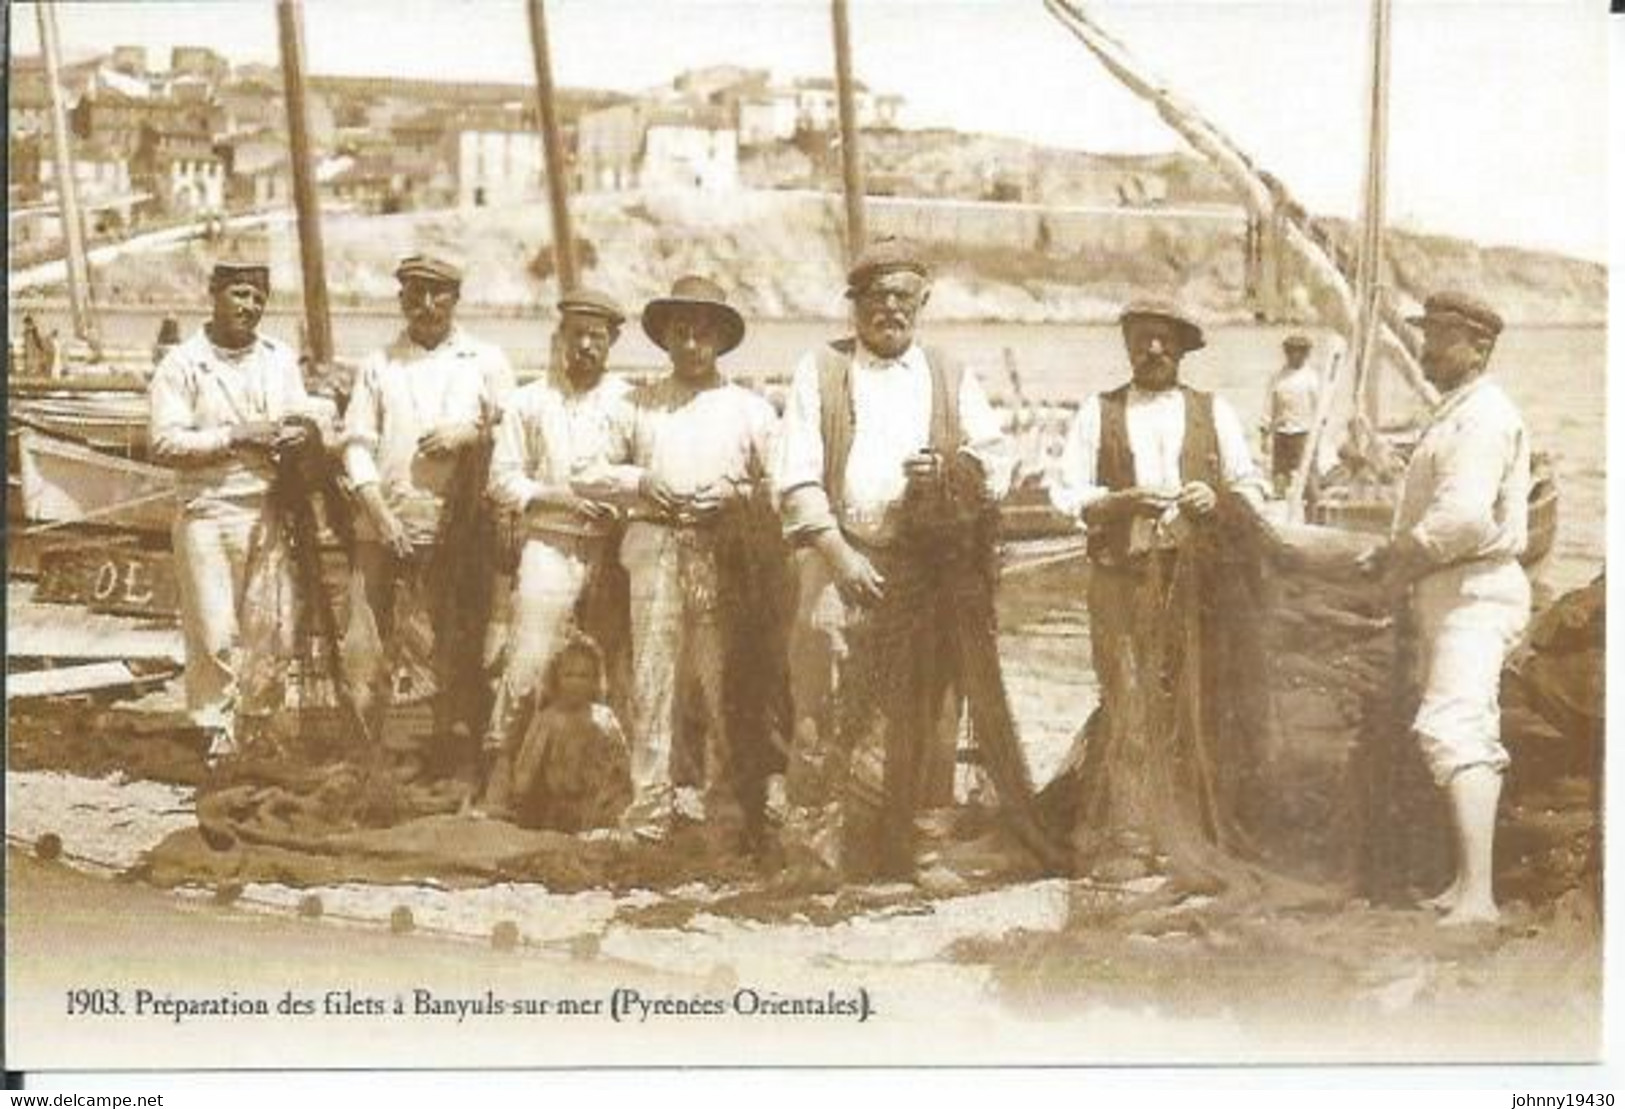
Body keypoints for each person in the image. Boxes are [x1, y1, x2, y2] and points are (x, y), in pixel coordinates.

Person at [775, 237, 1014, 881]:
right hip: (836, 552)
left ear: (923, 302)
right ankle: (814, 848)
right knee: (822, 696)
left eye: (902, 296)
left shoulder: (949, 373)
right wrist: (839, 557)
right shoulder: (820, 369)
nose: (889, 308)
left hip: (925, 569)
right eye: (875, 296)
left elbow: (998, 459)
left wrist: (950, 467)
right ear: (854, 306)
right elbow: (795, 479)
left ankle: (921, 847)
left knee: (930, 706)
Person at [1047, 299, 1271, 886]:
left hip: (1197, 582)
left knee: (1194, 700)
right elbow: (1065, 493)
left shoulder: (1212, 412)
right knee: (1127, 698)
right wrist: (1118, 503)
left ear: (1181, 349)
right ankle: (1130, 834)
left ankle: (1191, 830)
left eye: (1164, 342)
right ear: (1127, 344)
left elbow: (1251, 487)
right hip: (1121, 578)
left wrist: (1213, 499)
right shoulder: (1099, 412)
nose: (1152, 351)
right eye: (1142, 339)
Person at [579, 275, 778, 846]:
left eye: (703, 335)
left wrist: (736, 495)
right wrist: (639, 480)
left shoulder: (750, 411)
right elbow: (584, 470)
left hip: (722, 555)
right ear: (665, 339)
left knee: (720, 684)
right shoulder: (637, 405)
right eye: (681, 334)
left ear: (720, 340)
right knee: (653, 681)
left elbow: (784, 481)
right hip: (655, 551)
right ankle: (649, 811)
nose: (692, 346)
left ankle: (724, 808)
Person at [1362, 291, 1530, 926]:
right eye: (1427, 333)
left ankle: (1480, 899)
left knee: (1456, 726)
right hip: (1450, 591)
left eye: (1440, 337)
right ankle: (1462, 885)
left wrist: (1401, 553)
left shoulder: (1482, 417)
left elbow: (1461, 517)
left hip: (1474, 590)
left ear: (1479, 348)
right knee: (1452, 725)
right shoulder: (1456, 412)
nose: (1426, 348)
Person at [343, 253, 516, 783]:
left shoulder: (486, 361)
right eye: (415, 293)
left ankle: (442, 753)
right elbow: (355, 447)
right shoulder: (378, 365)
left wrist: (470, 434)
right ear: (401, 300)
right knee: (366, 645)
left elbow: (514, 432)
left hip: (458, 535)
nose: (426, 305)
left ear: (455, 299)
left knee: (451, 643)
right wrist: (379, 513)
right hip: (383, 526)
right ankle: (370, 754)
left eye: (438, 293)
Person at [148, 246, 322, 757]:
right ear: (215, 295)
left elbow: (299, 416)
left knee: (273, 625)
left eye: (259, 297)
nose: (249, 306)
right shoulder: (182, 364)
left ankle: (260, 721)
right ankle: (216, 728)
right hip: (206, 509)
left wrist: (300, 433)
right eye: (240, 294)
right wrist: (235, 436)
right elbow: (164, 443)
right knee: (213, 627)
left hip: (268, 507)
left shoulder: (279, 358)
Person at [479, 287, 632, 813]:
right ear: (560, 338)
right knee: (529, 657)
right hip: (548, 542)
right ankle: (502, 776)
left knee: (611, 663)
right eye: (577, 335)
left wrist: (615, 503)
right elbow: (502, 480)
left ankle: (607, 788)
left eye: (597, 336)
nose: (586, 346)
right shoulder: (528, 401)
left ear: (611, 342)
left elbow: (643, 475)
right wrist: (558, 496)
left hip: (611, 549)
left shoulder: (628, 401)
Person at [499, 631, 633, 834]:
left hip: (598, 807)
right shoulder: (548, 719)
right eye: (569, 675)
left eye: (584, 676)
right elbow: (526, 770)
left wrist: (612, 798)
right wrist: (520, 796)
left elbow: (621, 767)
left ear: (595, 680)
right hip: (558, 809)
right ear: (556, 678)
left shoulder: (604, 717)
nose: (576, 683)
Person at [1264, 332, 1320, 497]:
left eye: (1299, 352)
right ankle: (1279, 508)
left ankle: (1313, 514)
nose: (1295, 355)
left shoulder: (1311, 378)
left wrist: (1317, 435)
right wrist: (1265, 433)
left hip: (1304, 433)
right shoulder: (1277, 377)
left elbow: (1319, 409)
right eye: (1291, 351)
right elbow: (1269, 406)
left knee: (1309, 479)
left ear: (1305, 354)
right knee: (1279, 476)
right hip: (1282, 434)